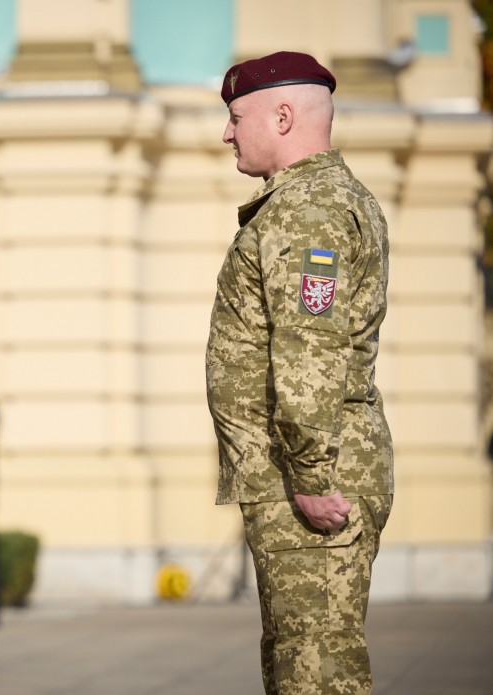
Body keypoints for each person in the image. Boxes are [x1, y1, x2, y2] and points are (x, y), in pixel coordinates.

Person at [206, 52, 394, 694]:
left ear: (282, 116)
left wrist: (311, 475)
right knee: (301, 657)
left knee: (315, 668)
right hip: (302, 471)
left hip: (310, 476)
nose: (226, 133)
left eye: (235, 118)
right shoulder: (313, 201)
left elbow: (308, 349)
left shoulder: (306, 210)